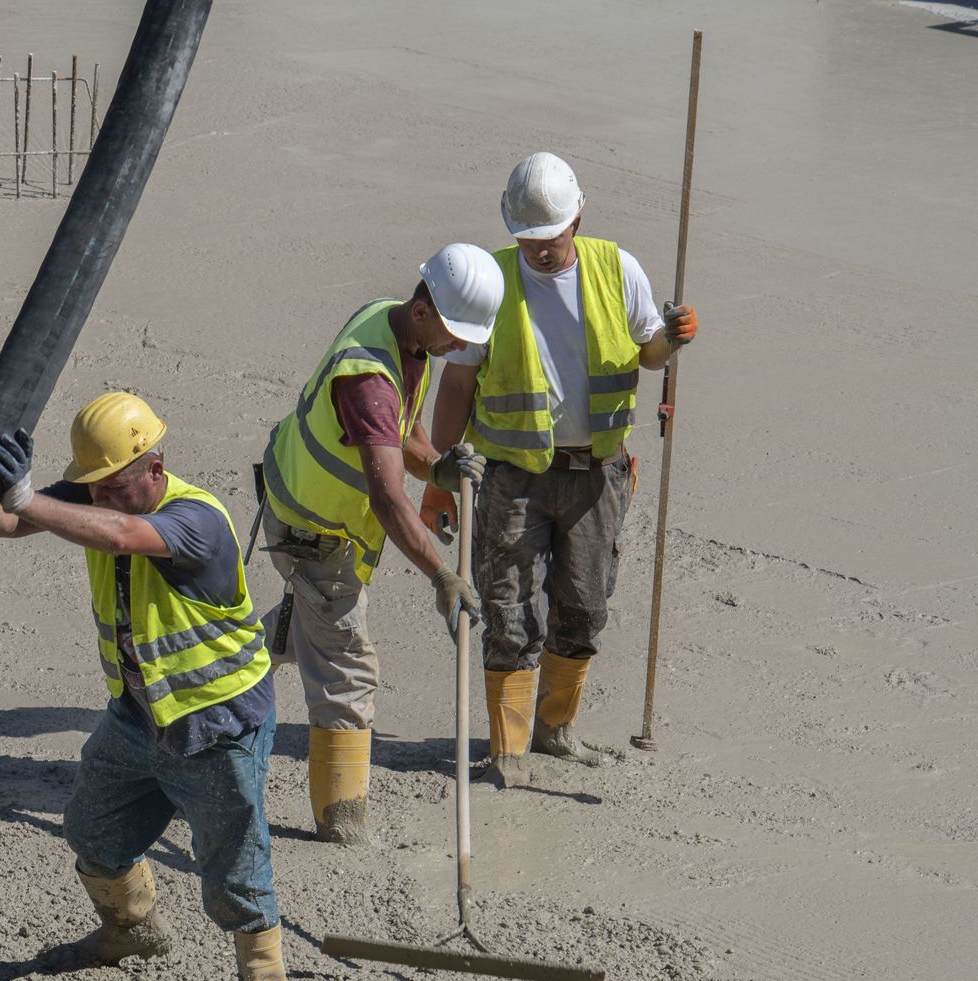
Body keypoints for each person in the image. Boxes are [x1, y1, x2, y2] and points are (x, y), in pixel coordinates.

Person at [0, 393, 287, 981]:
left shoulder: (197, 520)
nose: (106, 501)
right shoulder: (99, 493)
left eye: (118, 487)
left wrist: (31, 499)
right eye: (96, 489)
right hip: (138, 716)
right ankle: (133, 929)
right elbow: (4, 524)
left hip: (215, 726)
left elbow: (120, 535)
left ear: (156, 466)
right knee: (93, 828)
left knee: (235, 865)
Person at [427, 153, 700, 784]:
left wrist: (674, 338)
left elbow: (648, 352)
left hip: (596, 476)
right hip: (511, 477)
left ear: (577, 218)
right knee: (509, 611)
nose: (540, 252)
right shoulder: (492, 282)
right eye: (528, 241)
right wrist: (437, 482)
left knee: (583, 607)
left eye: (550, 239)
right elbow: (456, 384)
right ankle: (508, 747)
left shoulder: (616, 268)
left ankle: (555, 729)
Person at [257, 245, 503, 841]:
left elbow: (405, 423)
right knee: (346, 668)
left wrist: (437, 466)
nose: (458, 348)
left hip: (306, 510)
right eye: (453, 333)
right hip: (314, 531)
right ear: (422, 309)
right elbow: (388, 500)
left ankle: (224, 662)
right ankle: (342, 822)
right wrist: (442, 574)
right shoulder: (367, 380)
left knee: (310, 629)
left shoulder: (396, 326)